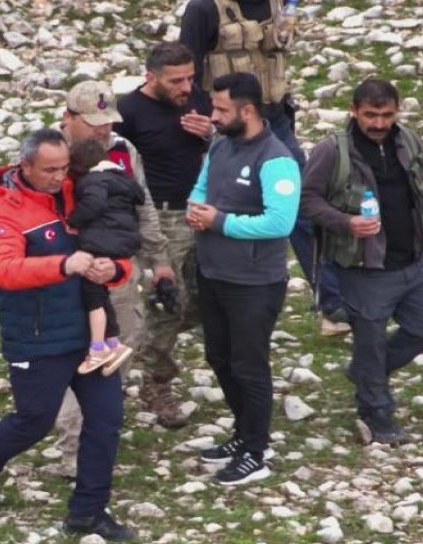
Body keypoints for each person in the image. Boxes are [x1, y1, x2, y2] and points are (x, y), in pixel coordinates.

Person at [0, 80, 165, 479]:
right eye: (94, 124)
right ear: (68, 119)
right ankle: (74, 449)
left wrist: (155, 259)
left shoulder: (124, 152)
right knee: (56, 385)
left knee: (112, 356)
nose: (104, 131)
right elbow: (2, 213)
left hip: (110, 272)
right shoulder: (42, 155)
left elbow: (141, 206)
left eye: (109, 122)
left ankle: (93, 458)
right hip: (55, 283)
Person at [0, 128, 136, 542]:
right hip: (37, 336)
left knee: (107, 420)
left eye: (64, 168)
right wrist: (64, 265)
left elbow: (113, 244)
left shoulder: (82, 191)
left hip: (91, 334)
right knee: (33, 420)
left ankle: (88, 511)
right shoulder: (1, 212)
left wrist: (115, 270)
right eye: (50, 170)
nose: (60, 177)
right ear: (25, 166)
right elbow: (4, 271)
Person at [180, 0, 349, 335]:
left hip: (273, 124)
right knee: (220, 210)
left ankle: (333, 304)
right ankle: (205, 304)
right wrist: (208, 122)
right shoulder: (204, 9)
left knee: (304, 208)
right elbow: (188, 70)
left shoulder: (279, 4)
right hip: (223, 128)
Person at [300, 78, 423, 445]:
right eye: (371, 115)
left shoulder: (409, 141)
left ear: (397, 111)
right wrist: (347, 222)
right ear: (354, 111)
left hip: (412, 261)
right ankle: (376, 414)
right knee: (369, 338)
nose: (379, 123)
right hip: (363, 267)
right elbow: (307, 199)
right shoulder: (332, 151)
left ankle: (367, 373)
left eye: (386, 115)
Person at [186, 73, 299, 485]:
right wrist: (194, 207)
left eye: (221, 109)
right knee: (219, 356)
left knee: (250, 365)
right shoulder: (220, 145)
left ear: (247, 111)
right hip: (214, 273)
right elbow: (201, 187)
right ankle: (243, 432)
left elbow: (280, 221)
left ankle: (256, 450)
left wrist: (221, 222)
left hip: (254, 282)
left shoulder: (277, 159)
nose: (213, 116)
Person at [114, 42, 214, 429]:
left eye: (190, 77)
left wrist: (210, 133)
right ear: (150, 77)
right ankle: (157, 383)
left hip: (200, 211)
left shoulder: (197, 100)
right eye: (176, 80)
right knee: (169, 302)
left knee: (208, 298)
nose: (186, 87)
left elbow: (229, 141)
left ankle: (136, 345)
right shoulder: (129, 112)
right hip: (157, 216)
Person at [66, 138, 144, 375]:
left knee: (93, 299)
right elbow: (140, 198)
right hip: (124, 243)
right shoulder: (123, 179)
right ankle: (114, 343)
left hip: (100, 242)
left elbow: (95, 204)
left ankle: (97, 348)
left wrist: (73, 220)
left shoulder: (93, 181)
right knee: (104, 297)